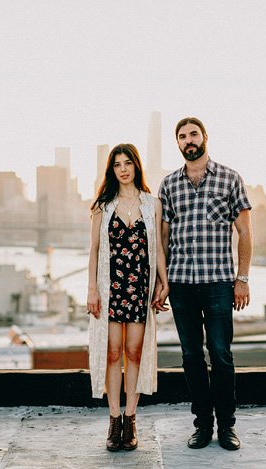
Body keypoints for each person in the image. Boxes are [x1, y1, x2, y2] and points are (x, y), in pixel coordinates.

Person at [153, 117, 253, 451]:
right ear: (178, 144)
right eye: (182, 137)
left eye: (193, 134)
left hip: (219, 284)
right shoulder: (168, 185)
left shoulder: (230, 179)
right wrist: (161, 283)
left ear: (205, 137)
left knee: (222, 355)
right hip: (181, 284)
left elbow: (246, 233)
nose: (188, 140)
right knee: (192, 356)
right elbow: (163, 238)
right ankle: (202, 425)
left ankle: (227, 427)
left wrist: (243, 279)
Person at [87, 143, 169, 452]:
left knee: (134, 353)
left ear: (136, 166)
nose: (123, 169)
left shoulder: (152, 204)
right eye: (117, 164)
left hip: (139, 288)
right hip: (111, 287)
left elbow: (159, 248)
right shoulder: (102, 206)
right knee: (112, 353)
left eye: (128, 163)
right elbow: (94, 250)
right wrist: (92, 289)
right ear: (112, 170)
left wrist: (163, 282)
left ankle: (131, 418)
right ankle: (113, 420)